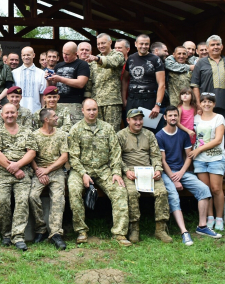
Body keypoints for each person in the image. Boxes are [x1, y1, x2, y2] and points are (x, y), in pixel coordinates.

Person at [67, 99, 131, 246]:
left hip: (103, 169)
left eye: (94, 109)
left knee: (120, 191)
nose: (92, 112)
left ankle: (119, 233)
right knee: (74, 189)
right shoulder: (76, 130)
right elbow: (73, 157)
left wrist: (116, 172)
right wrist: (83, 173)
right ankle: (81, 231)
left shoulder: (107, 128)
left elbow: (115, 152)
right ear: (82, 110)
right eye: (88, 109)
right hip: (81, 170)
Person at [156, 106, 220, 242]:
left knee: (204, 189)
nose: (173, 118)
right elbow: (162, 161)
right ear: (165, 117)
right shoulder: (159, 136)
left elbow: (189, 156)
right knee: (173, 195)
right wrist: (174, 179)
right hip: (167, 173)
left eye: (175, 115)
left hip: (182, 171)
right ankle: (184, 231)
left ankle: (202, 226)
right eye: (170, 115)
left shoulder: (183, 134)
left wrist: (181, 172)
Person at [116, 109, 172, 243]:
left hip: (148, 172)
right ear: (128, 120)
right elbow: (116, 157)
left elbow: (156, 155)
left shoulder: (149, 135)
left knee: (162, 192)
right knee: (131, 193)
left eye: (140, 119)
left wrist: (158, 169)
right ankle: (134, 228)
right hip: (131, 172)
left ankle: (161, 229)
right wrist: (125, 171)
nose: (138, 122)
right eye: (134, 119)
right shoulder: (121, 135)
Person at [0, 103, 36, 251]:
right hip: (2, 173)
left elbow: (31, 152)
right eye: (6, 113)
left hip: (23, 172)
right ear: (2, 115)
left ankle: (18, 236)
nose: (9, 115)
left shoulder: (27, 132)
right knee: (3, 201)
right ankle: (6, 234)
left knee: (22, 200)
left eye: (12, 113)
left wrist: (19, 165)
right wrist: (14, 170)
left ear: (17, 114)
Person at [28, 108, 68, 250]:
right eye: (54, 116)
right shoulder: (34, 135)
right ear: (46, 119)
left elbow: (64, 157)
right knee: (33, 196)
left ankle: (56, 233)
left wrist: (48, 170)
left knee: (58, 197)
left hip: (56, 171)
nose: (57, 118)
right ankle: (41, 228)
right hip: (39, 171)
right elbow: (30, 155)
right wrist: (39, 171)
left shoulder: (62, 135)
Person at [190, 93, 225, 232]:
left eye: (209, 102)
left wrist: (198, 150)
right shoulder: (196, 118)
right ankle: (209, 217)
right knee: (206, 190)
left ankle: (219, 218)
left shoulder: (219, 118)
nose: (206, 104)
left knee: (216, 189)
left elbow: (217, 140)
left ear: (214, 104)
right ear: (200, 103)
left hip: (215, 158)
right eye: (204, 101)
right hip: (200, 160)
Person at [190, 35, 225, 144]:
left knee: (224, 135)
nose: (215, 47)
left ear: (222, 46)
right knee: (207, 135)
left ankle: (222, 160)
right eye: (212, 45)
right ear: (207, 47)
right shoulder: (200, 63)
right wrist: (198, 105)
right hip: (206, 105)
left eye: (218, 44)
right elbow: (195, 86)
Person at [124, 34, 165, 130]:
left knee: (148, 130)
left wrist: (157, 105)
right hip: (132, 100)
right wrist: (124, 99)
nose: (144, 46)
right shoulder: (131, 59)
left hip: (149, 100)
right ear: (136, 44)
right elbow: (125, 80)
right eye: (141, 43)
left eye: (146, 44)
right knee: (130, 129)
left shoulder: (155, 60)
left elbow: (161, 84)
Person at [85, 33, 125, 128]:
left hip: (112, 102)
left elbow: (113, 62)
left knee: (112, 131)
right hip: (96, 103)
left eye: (103, 43)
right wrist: (87, 100)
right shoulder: (94, 60)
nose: (100, 46)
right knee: (97, 131)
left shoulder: (118, 54)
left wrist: (97, 59)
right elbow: (89, 82)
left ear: (110, 42)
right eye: (98, 44)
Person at [48, 41, 89, 121]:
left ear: (75, 53)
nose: (64, 56)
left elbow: (81, 83)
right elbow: (53, 86)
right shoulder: (58, 65)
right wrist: (49, 79)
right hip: (58, 103)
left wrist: (60, 79)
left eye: (67, 54)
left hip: (74, 104)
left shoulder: (82, 64)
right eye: (63, 53)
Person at [12, 46, 46, 113]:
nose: (26, 57)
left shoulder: (41, 73)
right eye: (24, 55)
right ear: (21, 56)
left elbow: (42, 94)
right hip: (17, 111)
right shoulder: (14, 73)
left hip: (35, 110)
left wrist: (43, 109)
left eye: (28, 55)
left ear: (33, 55)